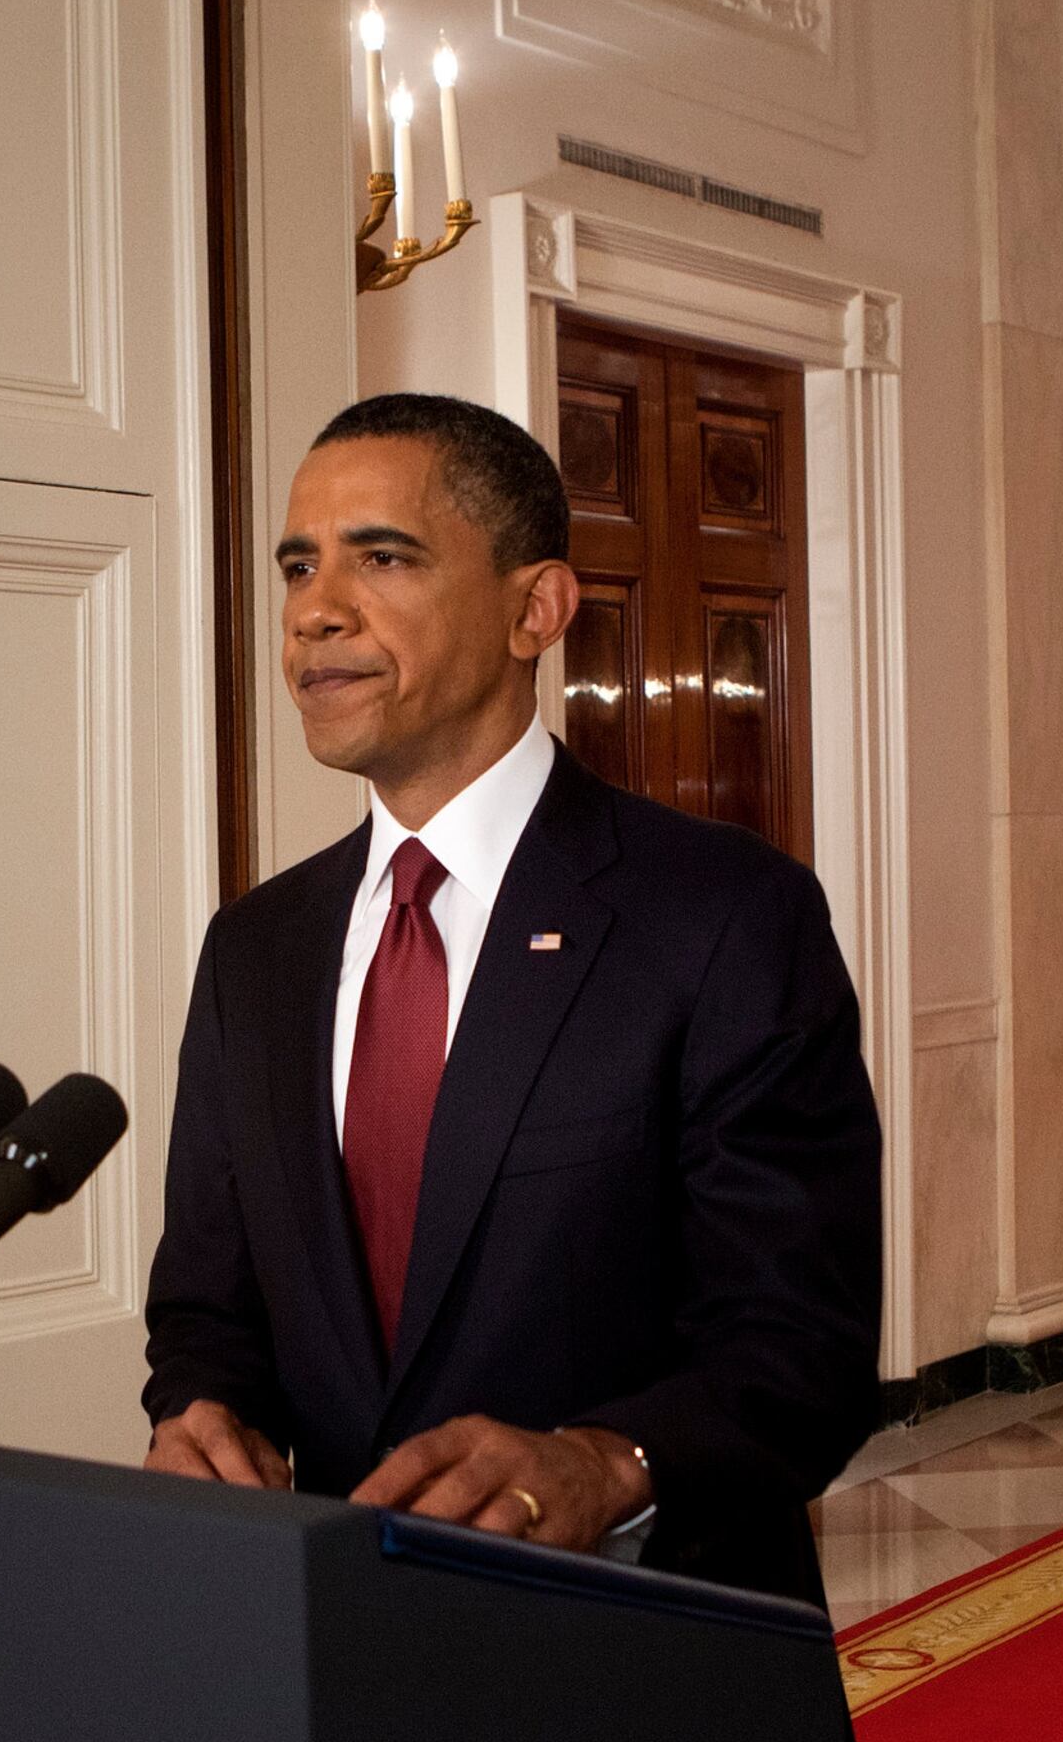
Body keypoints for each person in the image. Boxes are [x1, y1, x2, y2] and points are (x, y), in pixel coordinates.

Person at [141, 392, 881, 1618]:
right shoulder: (254, 952)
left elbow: (804, 1346)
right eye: (299, 566)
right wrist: (201, 1412)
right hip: (341, 1645)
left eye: (382, 557)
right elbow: (208, 1306)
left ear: (535, 608)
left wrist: (606, 1463)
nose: (315, 608)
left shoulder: (725, 918)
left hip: (640, 1651)